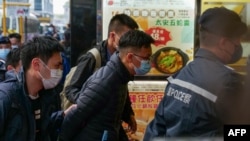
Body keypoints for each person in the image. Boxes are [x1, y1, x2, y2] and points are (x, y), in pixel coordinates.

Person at [143, 7, 248, 140]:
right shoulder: (229, 81)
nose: (236, 50)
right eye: (235, 45)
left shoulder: (179, 76)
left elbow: (156, 128)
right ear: (224, 43)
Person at [59, 29, 154, 141]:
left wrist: (128, 115)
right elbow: (75, 116)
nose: (149, 62)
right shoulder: (105, 81)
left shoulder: (121, 76)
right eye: (146, 58)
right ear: (129, 57)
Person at [0, 36, 74, 141]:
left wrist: (62, 115)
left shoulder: (47, 95)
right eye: (57, 66)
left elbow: (38, 127)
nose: (60, 71)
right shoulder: (5, 97)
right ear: (36, 64)